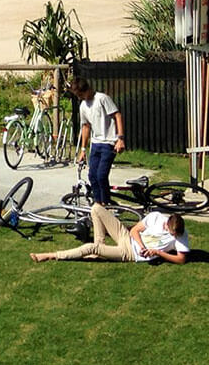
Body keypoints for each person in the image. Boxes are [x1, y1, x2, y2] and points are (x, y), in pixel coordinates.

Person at [30, 205, 188, 264]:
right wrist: (142, 246)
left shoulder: (181, 235)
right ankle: (100, 247)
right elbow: (134, 230)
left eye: (174, 235)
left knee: (90, 247)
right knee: (96, 209)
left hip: (130, 253)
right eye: (170, 232)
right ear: (167, 223)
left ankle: (51, 255)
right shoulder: (156, 217)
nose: (172, 236)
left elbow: (181, 259)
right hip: (128, 238)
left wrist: (158, 253)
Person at [72, 74, 124, 205]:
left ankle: (106, 203)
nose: (80, 97)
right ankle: (98, 203)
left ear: (87, 90)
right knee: (92, 176)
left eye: (81, 95)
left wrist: (120, 139)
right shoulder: (83, 106)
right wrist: (83, 150)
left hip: (109, 143)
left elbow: (117, 115)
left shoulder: (102, 99)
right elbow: (86, 127)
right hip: (95, 144)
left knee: (101, 175)